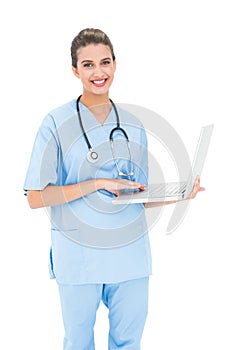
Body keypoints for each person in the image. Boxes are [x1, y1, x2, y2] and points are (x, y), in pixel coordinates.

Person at [24, 28, 204, 350]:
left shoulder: (132, 123)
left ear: (115, 65)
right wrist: (95, 184)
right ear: (75, 70)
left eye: (105, 62)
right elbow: (36, 198)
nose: (98, 72)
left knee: (128, 343)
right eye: (88, 64)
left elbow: (135, 195)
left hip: (130, 256)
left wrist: (178, 194)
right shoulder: (55, 123)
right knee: (78, 343)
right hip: (79, 257)